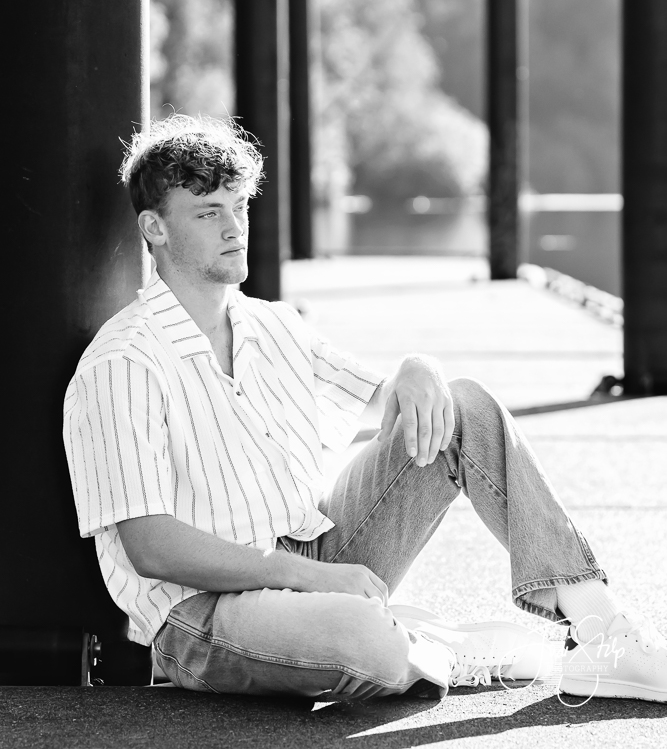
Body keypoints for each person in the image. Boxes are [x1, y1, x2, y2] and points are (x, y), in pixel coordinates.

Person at [63, 114, 666, 703]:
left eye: (239, 206)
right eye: (208, 212)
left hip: (312, 553)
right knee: (361, 641)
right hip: (201, 613)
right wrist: (310, 579)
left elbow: (390, 396)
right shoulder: (123, 363)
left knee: (462, 407)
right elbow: (151, 547)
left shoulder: (272, 325)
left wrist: (417, 367)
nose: (234, 228)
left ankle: (603, 636)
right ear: (155, 228)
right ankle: (427, 645)